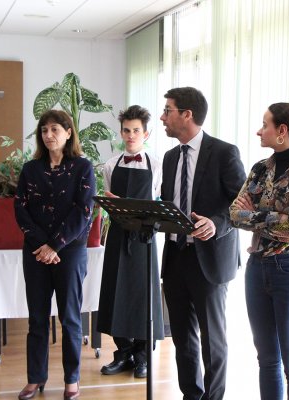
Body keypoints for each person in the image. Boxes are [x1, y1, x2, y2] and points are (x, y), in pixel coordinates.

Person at [160, 87, 246, 400]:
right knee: (182, 339)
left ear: (187, 114)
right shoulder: (170, 157)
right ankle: (190, 395)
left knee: (213, 341)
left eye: (167, 111)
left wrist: (215, 223)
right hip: (175, 256)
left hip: (210, 258)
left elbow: (242, 204)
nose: (162, 117)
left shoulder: (224, 152)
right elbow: (170, 202)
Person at [230, 102, 289, 400]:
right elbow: (234, 214)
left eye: (264, 124)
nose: (259, 131)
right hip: (257, 267)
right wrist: (273, 219)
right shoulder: (260, 168)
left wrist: (254, 215)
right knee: (266, 359)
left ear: (282, 130)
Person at [14, 109, 95, 400]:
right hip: (36, 251)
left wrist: (55, 246)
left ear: (68, 133)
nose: (49, 135)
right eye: (44, 130)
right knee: (36, 318)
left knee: (70, 318)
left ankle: (72, 379)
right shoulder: (30, 168)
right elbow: (20, 208)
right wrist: (42, 245)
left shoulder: (82, 167)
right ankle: (35, 378)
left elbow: (83, 211)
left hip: (69, 252)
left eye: (55, 129)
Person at [97, 105, 164, 379]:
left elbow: (159, 199)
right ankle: (123, 352)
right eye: (126, 130)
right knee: (117, 292)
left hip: (144, 238)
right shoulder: (110, 165)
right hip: (117, 235)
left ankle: (143, 355)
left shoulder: (156, 165)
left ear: (146, 134)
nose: (131, 135)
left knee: (143, 295)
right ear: (121, 132)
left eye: (136, 130)